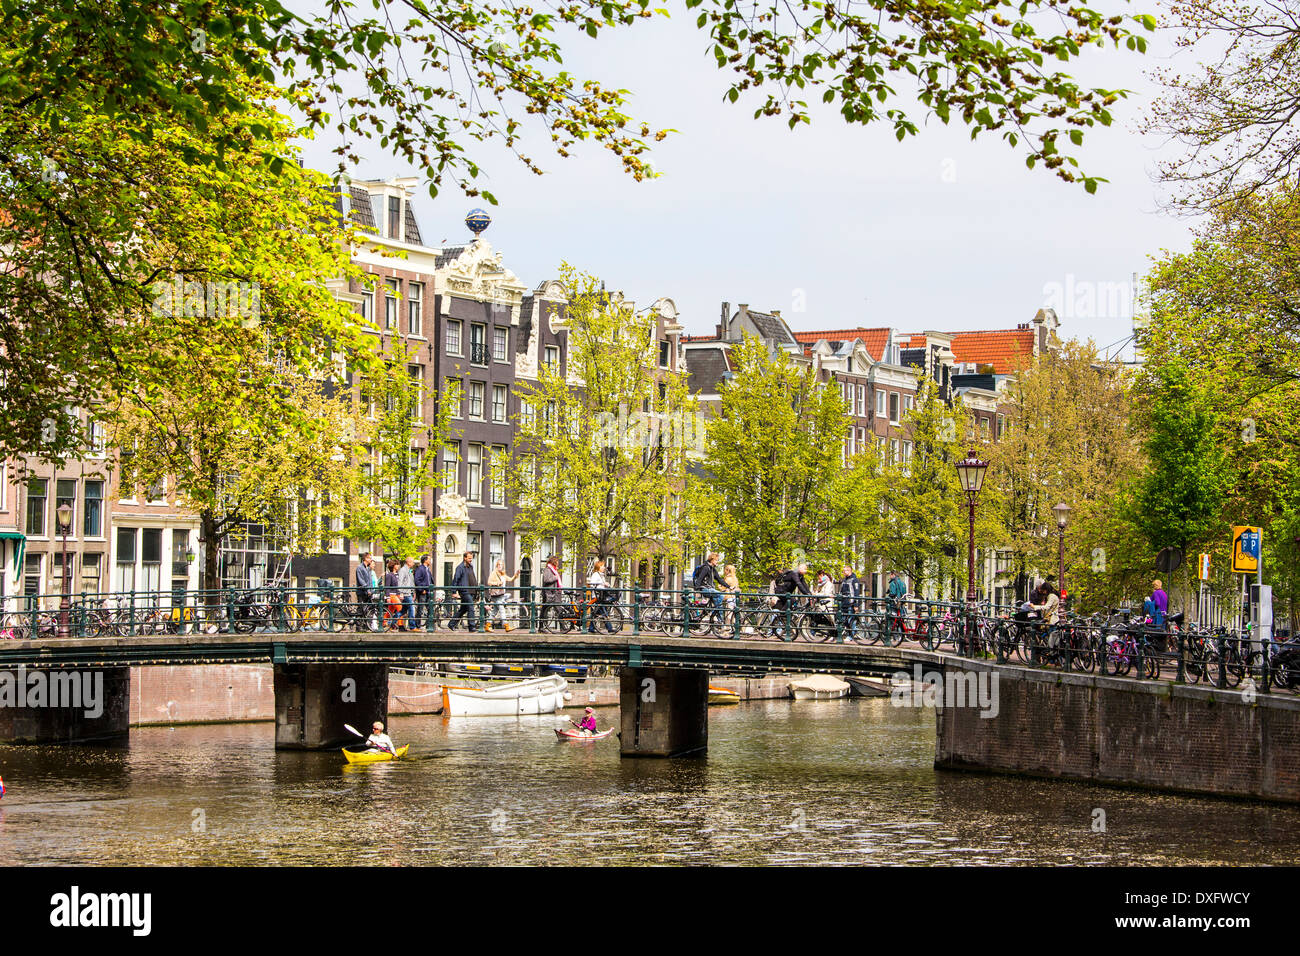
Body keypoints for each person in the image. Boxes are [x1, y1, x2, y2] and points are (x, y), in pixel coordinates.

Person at [772, 562, 812, 640]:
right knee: (792, 600)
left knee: (793, 602)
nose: (806, 571)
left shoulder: (800, 575)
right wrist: (806, 594)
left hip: (786, 592)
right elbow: (799, 584)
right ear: (800, 568)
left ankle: (783, 617)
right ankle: (782, 615)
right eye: (805, 569)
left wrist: (809, 593)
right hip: (780, 591)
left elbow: (804, 584)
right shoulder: (794, 574)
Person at [487, 559, 521, 631]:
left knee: (494, 611)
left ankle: (487, 625)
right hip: (496, 595)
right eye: (499, 565)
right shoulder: (494, 573)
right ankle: (506, 626)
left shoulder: (503, 574)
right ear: (496, 565)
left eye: (501, 565)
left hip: (501, 594)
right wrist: (497, 583)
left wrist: (516, 575)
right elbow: (489, 582)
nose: (500, 566)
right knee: (502, 609)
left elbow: (511, 579)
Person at [449, 551, 478, 630]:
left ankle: (451, 624)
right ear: (465, 558)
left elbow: (472, 578)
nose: (470, 560)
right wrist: (454, 592)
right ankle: (472, 626)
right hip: (465, 591)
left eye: (471, 558)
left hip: (471, 590)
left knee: (463, 609)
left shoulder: (471, 566)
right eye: (469, 558)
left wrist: (476, 588)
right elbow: (456, 579)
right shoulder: (460, 567)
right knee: (471, 607)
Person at [587, 559, 616, 634]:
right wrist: (603, 584)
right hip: (597, 596)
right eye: (602, 566)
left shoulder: (601, 575)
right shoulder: (595, 575)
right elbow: (592, 584)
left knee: (596, 612)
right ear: (598, 567)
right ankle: (609, 628)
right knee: (603, 612)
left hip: (601, 596)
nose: (604, 567)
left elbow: (601, 584)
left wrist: (606, 584)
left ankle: (591, 628)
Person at [354, 552, 379, 631]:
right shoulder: (359, 568)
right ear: (365, 558)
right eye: (369, 558)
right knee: (361, 609)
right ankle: (358, 626)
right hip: (362, 592)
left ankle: (365, 625)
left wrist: (371, 590)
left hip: (368, 592)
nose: (371, 559)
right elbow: (361, 581)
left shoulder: (367, 568)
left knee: (367, 609)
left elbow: (370, 581)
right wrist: (367, 589)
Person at [838, 565, 863, 642]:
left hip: (850, 603)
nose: (843, 572)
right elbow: (842, 591)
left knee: (850, 620)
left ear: (849, 571)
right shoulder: (844, 580)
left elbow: (856, 592)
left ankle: (851, 635)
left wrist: (856, 604)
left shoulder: (854, 580)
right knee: (843, 619)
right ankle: (848, 633)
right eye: (843, 571)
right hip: (844, 603)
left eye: (845, 571)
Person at [412, 554, 432, 630]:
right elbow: (417, 580)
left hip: (428, 591)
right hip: (423, 592)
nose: (430, 561)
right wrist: (421, 589)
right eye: (429, 559)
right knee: (420, 609)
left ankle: (428, 625)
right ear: (425, 560)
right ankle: (418, 625)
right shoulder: (420, 569)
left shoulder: (427, 569)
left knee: (430, 608)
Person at [383, 559, 402, 630]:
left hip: (396, 595)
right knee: (400, 608)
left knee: (390, 611)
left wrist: (399, 594)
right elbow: (387, 586)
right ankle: (396, 624)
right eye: (397, 564)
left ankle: (383, 622)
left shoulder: (396, 575)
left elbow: (397, 587)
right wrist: (387, 597)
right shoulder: (389, 575)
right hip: (391, 595)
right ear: (393, 566)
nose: (398, 566)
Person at [397, 557, 415, 630]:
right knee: (412, 609)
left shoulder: (409, 571)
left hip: (408, 593)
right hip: (405, 593)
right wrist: (401, 592)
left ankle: (390, 622)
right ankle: (412, 626)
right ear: (408, 562)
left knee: (403, 611)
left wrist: (413, 591)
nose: (413, 563)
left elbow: (410, 582)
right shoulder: (403, 570)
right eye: (412, 562)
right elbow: (400, 582)